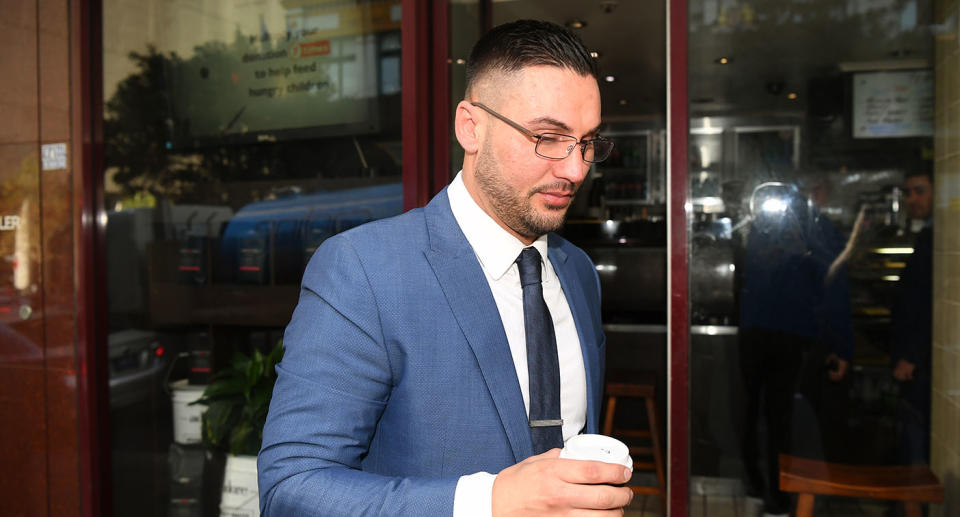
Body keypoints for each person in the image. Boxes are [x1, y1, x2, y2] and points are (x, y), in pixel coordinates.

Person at [258, 20, 634, 516]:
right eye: (548, 137)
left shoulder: (578, 272)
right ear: (470, 127)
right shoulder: (364, 272)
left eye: (588, 142)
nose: (575, 169)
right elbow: (290, 490)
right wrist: (490, 502)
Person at [737, 181, 853, 516]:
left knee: (754, 412)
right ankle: (781, 496)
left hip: (755, 332)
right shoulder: (813, 226)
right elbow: (833, 284)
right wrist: (841, 345)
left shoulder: (759, 226)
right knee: (781, 418)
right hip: (792, 336)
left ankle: (758, 485)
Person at [891, 171, 934, 465]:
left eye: (919, 191)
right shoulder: (930, 233)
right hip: (917, 359)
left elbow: (930, 303)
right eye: (908, 192)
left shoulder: (938, 238)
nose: (911, 200)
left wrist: (911, 355)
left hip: (920, 363)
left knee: (916, 447)